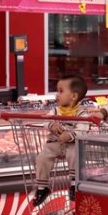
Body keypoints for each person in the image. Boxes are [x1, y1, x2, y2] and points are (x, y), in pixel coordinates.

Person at [32, 75, 89, 206]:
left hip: (72, 144)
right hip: (55, 143)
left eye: (61, 91)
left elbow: (83, 128)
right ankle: (42, 188)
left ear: (73, 96)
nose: (57, 95)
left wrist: (70, 135)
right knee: (42, 157)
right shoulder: (55, 110)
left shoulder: (81, 113)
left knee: (75, 153)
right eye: (57, 91)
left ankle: (75, 184)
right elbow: (45, 121)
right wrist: (52, 125)